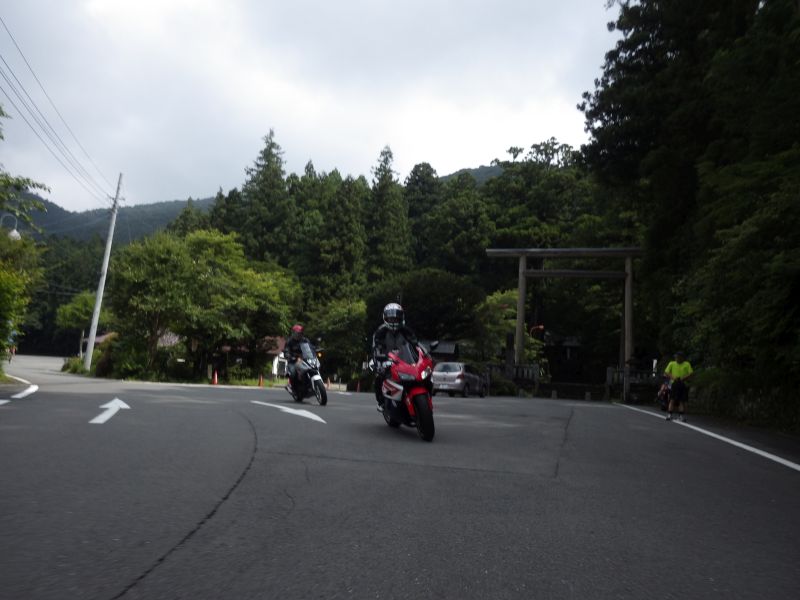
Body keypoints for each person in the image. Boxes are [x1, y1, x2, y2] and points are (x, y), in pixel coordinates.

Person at [371, 303, 418, 411]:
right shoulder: (380, 332)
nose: (393, 321)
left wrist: (421, 354)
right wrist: (379, 359)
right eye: (391, 319)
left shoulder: (406, 331)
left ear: (401, 318)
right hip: (387, 360)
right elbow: (375, 348)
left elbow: (416, 344)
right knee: (379, 377)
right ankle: (381, 402)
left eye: (396, 319)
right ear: (385, 318)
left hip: (405, 360)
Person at [664, 351, 693, 422]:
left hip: (683, 383)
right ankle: (669, 414)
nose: (677, 358)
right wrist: (673, 378)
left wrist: (683, 378)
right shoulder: (672, 363)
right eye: (676, 357)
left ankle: (681, 416)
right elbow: (666, 372)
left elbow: (691, 373)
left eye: (678, 357)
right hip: (674, 383)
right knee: (672, 399)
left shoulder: (686, 364)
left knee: (681, 400)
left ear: (682, 358)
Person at [284, 324, 310, 392]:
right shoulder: (289, 341)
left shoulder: (305, 340)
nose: (298, 335)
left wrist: (315, 349)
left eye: (300, 333)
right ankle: (291, 386)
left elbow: (310, 347)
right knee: (292, 373)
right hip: (293, 361)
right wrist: (289, 356)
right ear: (293, 333)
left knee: (314, 367)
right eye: (297, 333)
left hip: (305, 359)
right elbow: (286, 351)